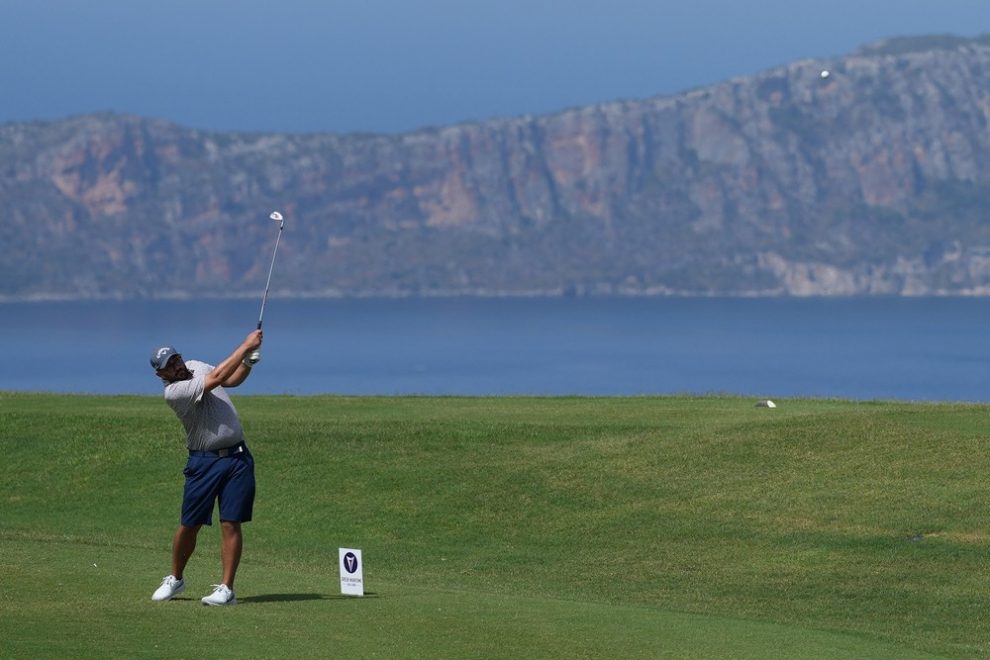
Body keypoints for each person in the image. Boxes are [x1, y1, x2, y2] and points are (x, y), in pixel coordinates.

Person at [148, 329, 263, 606]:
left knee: (231, 522)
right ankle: (176, 578)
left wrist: (247, 362)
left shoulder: (196, 366)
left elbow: (230, 380)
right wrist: (245, 345)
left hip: (237, 458)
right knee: (190, 524)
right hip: (204, 462)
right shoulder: (174, 393)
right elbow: (218, 377)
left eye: (176, 359)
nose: (177, 366)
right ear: (161, 374)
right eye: (169, 366)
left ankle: (227, 589)